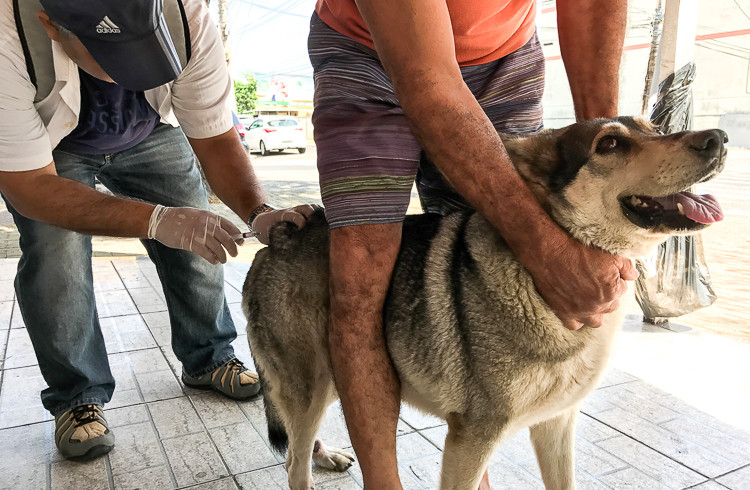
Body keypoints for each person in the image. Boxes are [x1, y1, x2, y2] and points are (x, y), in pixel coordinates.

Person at [309, 0, 639, 487]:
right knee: (359, 280)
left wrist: (606, 148)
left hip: (504, 55)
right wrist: (545, 250)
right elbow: (427, 80)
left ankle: (474, 466)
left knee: (490, 257)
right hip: (364, 48)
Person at [0, 0, 314, 461]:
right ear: (51, 25)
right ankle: (77, 396)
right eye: (113, 55)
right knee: (56, 252)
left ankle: (209, 356)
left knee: (200, 236)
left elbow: (217, 138)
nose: (134, 70)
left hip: (150, 133)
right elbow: (29, 187)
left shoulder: (187, 17)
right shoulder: (10, 35)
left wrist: (258, 210)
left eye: (142, 50)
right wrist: (156, 220)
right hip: (53, 147)